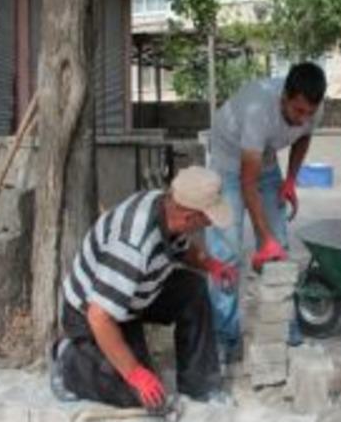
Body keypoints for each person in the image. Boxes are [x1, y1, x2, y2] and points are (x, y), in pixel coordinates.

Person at [50, 166, 237, 409]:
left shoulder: (168, 210)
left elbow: (181, 247)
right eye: (207, 218)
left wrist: (210, 264)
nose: (210, 224)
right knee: (138, 394)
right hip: (93, 314)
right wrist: (136, 374)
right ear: (190, 216)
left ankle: (198, 385)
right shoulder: (133, 244)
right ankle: (68, 363)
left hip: (132, 296)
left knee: (193, 288)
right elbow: (99, 317)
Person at [205, 62, 327, 364]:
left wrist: (289, 180)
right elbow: (248, 184)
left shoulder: (312, 109)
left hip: (266, 158)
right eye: (298, 111)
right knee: (226, 252)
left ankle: (284, 327)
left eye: (308, 113)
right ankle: (224, 338)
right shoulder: (258, 110)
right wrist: (264, 236)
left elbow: (304, 136)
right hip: (228, 161)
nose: (302, 118)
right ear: (284, 96)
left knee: (279, 249)